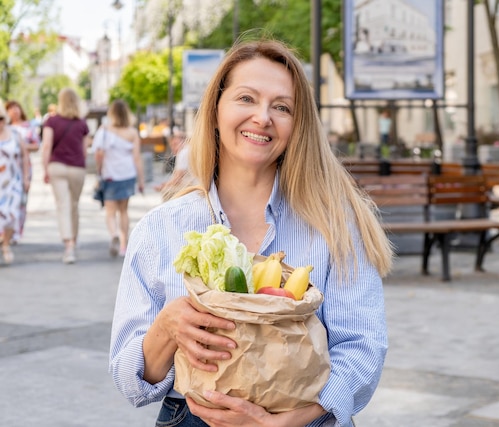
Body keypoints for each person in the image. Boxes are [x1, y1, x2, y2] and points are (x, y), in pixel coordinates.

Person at [109, 39, 393, 427]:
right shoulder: (161, 229)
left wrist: (299, 418)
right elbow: (131, 383)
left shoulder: (335, 225)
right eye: (246, 98)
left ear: (297, 126)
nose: (263, 117)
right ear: (214, 110)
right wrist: (166, 328)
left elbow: (363, 346)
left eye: (281, 107)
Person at [40, 88, 90, 264]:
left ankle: (68, 246)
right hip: (77, 168)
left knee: (62, 205)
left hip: (57, 166)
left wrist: (45, 168)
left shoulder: (51, 121)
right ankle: (74, 241)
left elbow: (46, 146)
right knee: (74, 205)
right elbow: (84, 152)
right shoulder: (82, 124)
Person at [92, 99, 145, 258]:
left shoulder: (104, 131)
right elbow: (137, 158)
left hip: (110, 175)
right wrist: (141, 180)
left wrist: (99, 171)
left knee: (110, 211)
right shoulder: (132, 133)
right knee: (124, 211)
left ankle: (113, 233)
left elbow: (98, 155)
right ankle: (123, 244)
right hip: (127, 175)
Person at [5, 100, 40, 243]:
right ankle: (6, 231)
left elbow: (36, 145)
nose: (14, 111)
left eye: (16, 108)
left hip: (23, 168)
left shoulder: (27, 127)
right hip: (6, 170)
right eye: (11, 109)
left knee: (21, 201)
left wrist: (21, 146)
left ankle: (17, 232)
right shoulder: (4, 128)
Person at [0, 101, 30, 264]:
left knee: (11, 215)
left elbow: (24, 156)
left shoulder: (15, 133)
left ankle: (6, 245)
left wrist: (26, 177)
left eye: (2, 118)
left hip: (12, 182)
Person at [154, 129, 191, 200]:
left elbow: (177, 179)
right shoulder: (188, 149)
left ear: (183, 142)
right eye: (172, 145)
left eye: (175, 144)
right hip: (192, 185)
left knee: (167, 192)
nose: (173, 148)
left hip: (190, 186)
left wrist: (163, 186)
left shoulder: (183, 153)